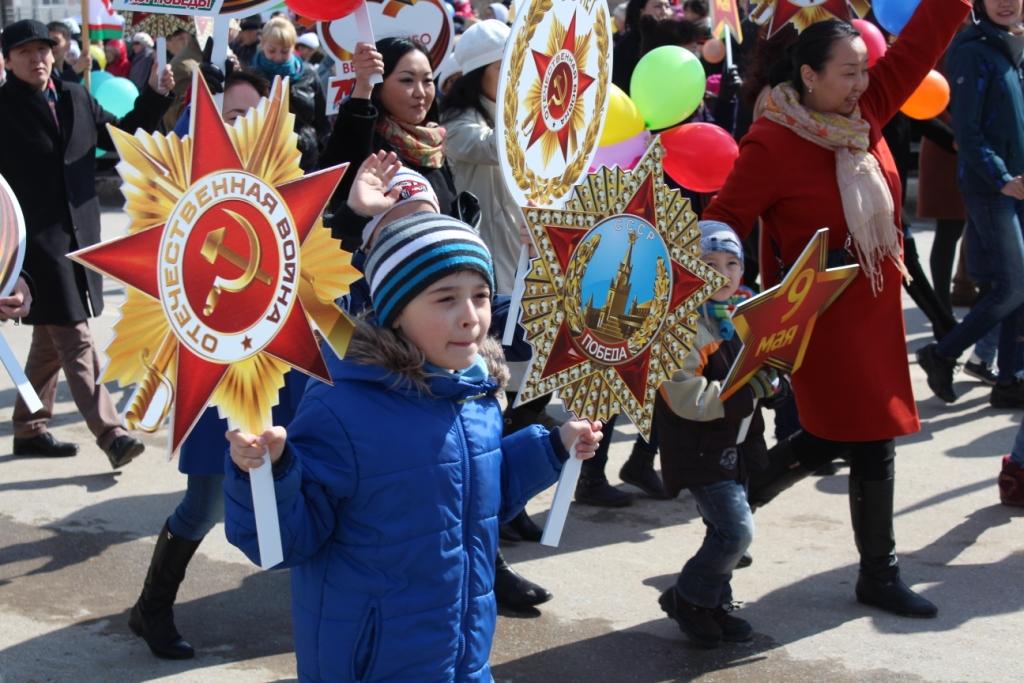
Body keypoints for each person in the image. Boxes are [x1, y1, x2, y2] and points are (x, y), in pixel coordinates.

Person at [224, 213, 603, 681]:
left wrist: (554, 447)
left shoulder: (476, 393)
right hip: (372, 663)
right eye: (446, 298)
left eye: (481, 296)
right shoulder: (342, 406)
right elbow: (284, 544)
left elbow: (481, 500)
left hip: (462, 655)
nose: (471, 315)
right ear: (395, 311)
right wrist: (266, 473)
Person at [702, 0, 973, 618]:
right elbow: (724, 217)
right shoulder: (773, 140)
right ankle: (879, 574)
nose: (861, 83)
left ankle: (737, 502)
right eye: (847, 72)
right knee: (869, 438)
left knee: (833, 438)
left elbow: (923, 42)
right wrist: (720, 265)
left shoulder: (869, 112)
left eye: (864, 70)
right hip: (817, 319)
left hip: (874, 314)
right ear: (809, 77)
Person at [129, 70, 278, 661]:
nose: (243, 131)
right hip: (214, 371)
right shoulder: (180, 204)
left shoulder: (283, 193)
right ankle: (152, 608)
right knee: (208, 500)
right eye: (232, 119)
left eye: (253, 119)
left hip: (277, 371)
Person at [0, 19, 173, 467]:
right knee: (75, 337)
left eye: (43, 50)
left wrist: (155, 94)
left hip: (83, 238)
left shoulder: (76, 95)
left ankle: (28, 427)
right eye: (25, 53)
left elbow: (124, 137)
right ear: (7, 61)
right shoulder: (2, 109)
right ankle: (111, 433)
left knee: (50, 339)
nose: (37, 59)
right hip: (34, 248)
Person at [655, 223, 780, 648]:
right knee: (735, 531)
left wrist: (775, 383)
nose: (723, 274)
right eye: (708, 264)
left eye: (732, 264)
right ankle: (689, 597)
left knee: (721, 530)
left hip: (737, 445)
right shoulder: (681, 326)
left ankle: (714, 602)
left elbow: (757, 367)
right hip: (701, 449)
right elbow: (684, 394)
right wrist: (743, 395)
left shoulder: (741, 314)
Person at [917, 0, 1024, 409]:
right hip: (991, 188)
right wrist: (1002, 178)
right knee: (1011, 285)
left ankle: (1010, 378)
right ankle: (942, 354)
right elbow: (968, 132)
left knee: (1018, 288)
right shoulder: (971, 47)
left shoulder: (1012, 47)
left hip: (1017, 185)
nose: (1005, 2)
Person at [323, 38, 461, 251]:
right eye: (407, 80)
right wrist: (363, 86)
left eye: (428, 81)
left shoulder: (434, 143)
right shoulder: (364, 141)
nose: (420, 92)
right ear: (379, 85)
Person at [251, 17, 329, 171]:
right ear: (262, 45)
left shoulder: (309, 74)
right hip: (262, 159)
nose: (278, 57)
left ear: (293, 47)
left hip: (304, 157)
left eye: (285, 51)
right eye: (272, 50)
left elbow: (322, 119)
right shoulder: (250, 75)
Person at [612, 0, 675, 93]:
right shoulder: (628, 44)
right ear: (641, 11)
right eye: (658, 6)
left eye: (667, 6)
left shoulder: (674, 41)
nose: (664, 11)